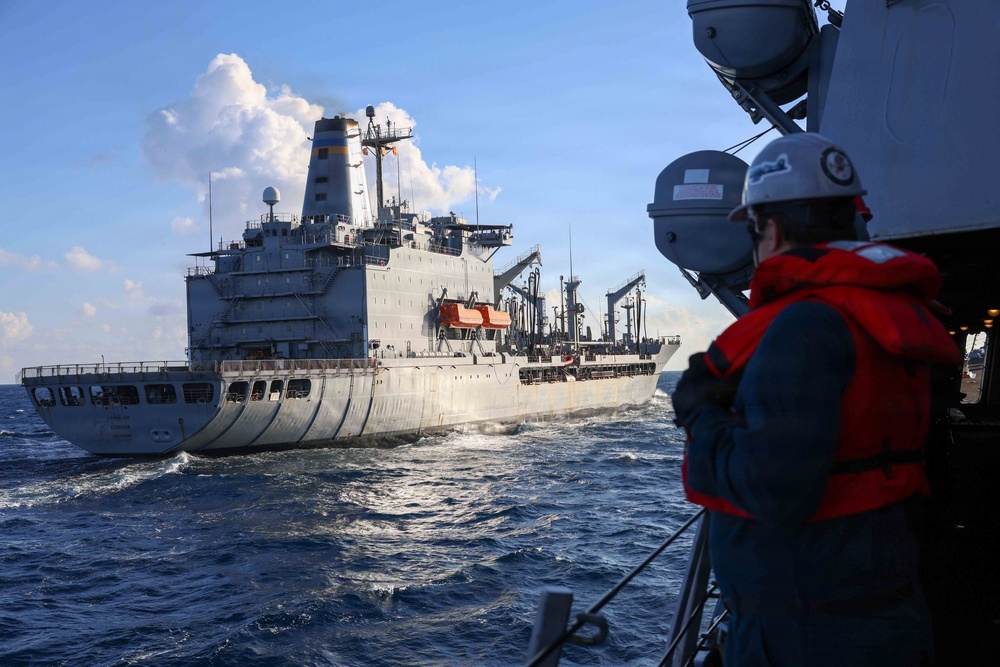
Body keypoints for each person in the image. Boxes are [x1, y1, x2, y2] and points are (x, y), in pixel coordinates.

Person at [671, 132, 961, 667]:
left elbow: (772, 491)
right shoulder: (879, 315)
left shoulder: (805, 326)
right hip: (876, 609)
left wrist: (700, 411)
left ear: (771, 229)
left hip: (806, 633)